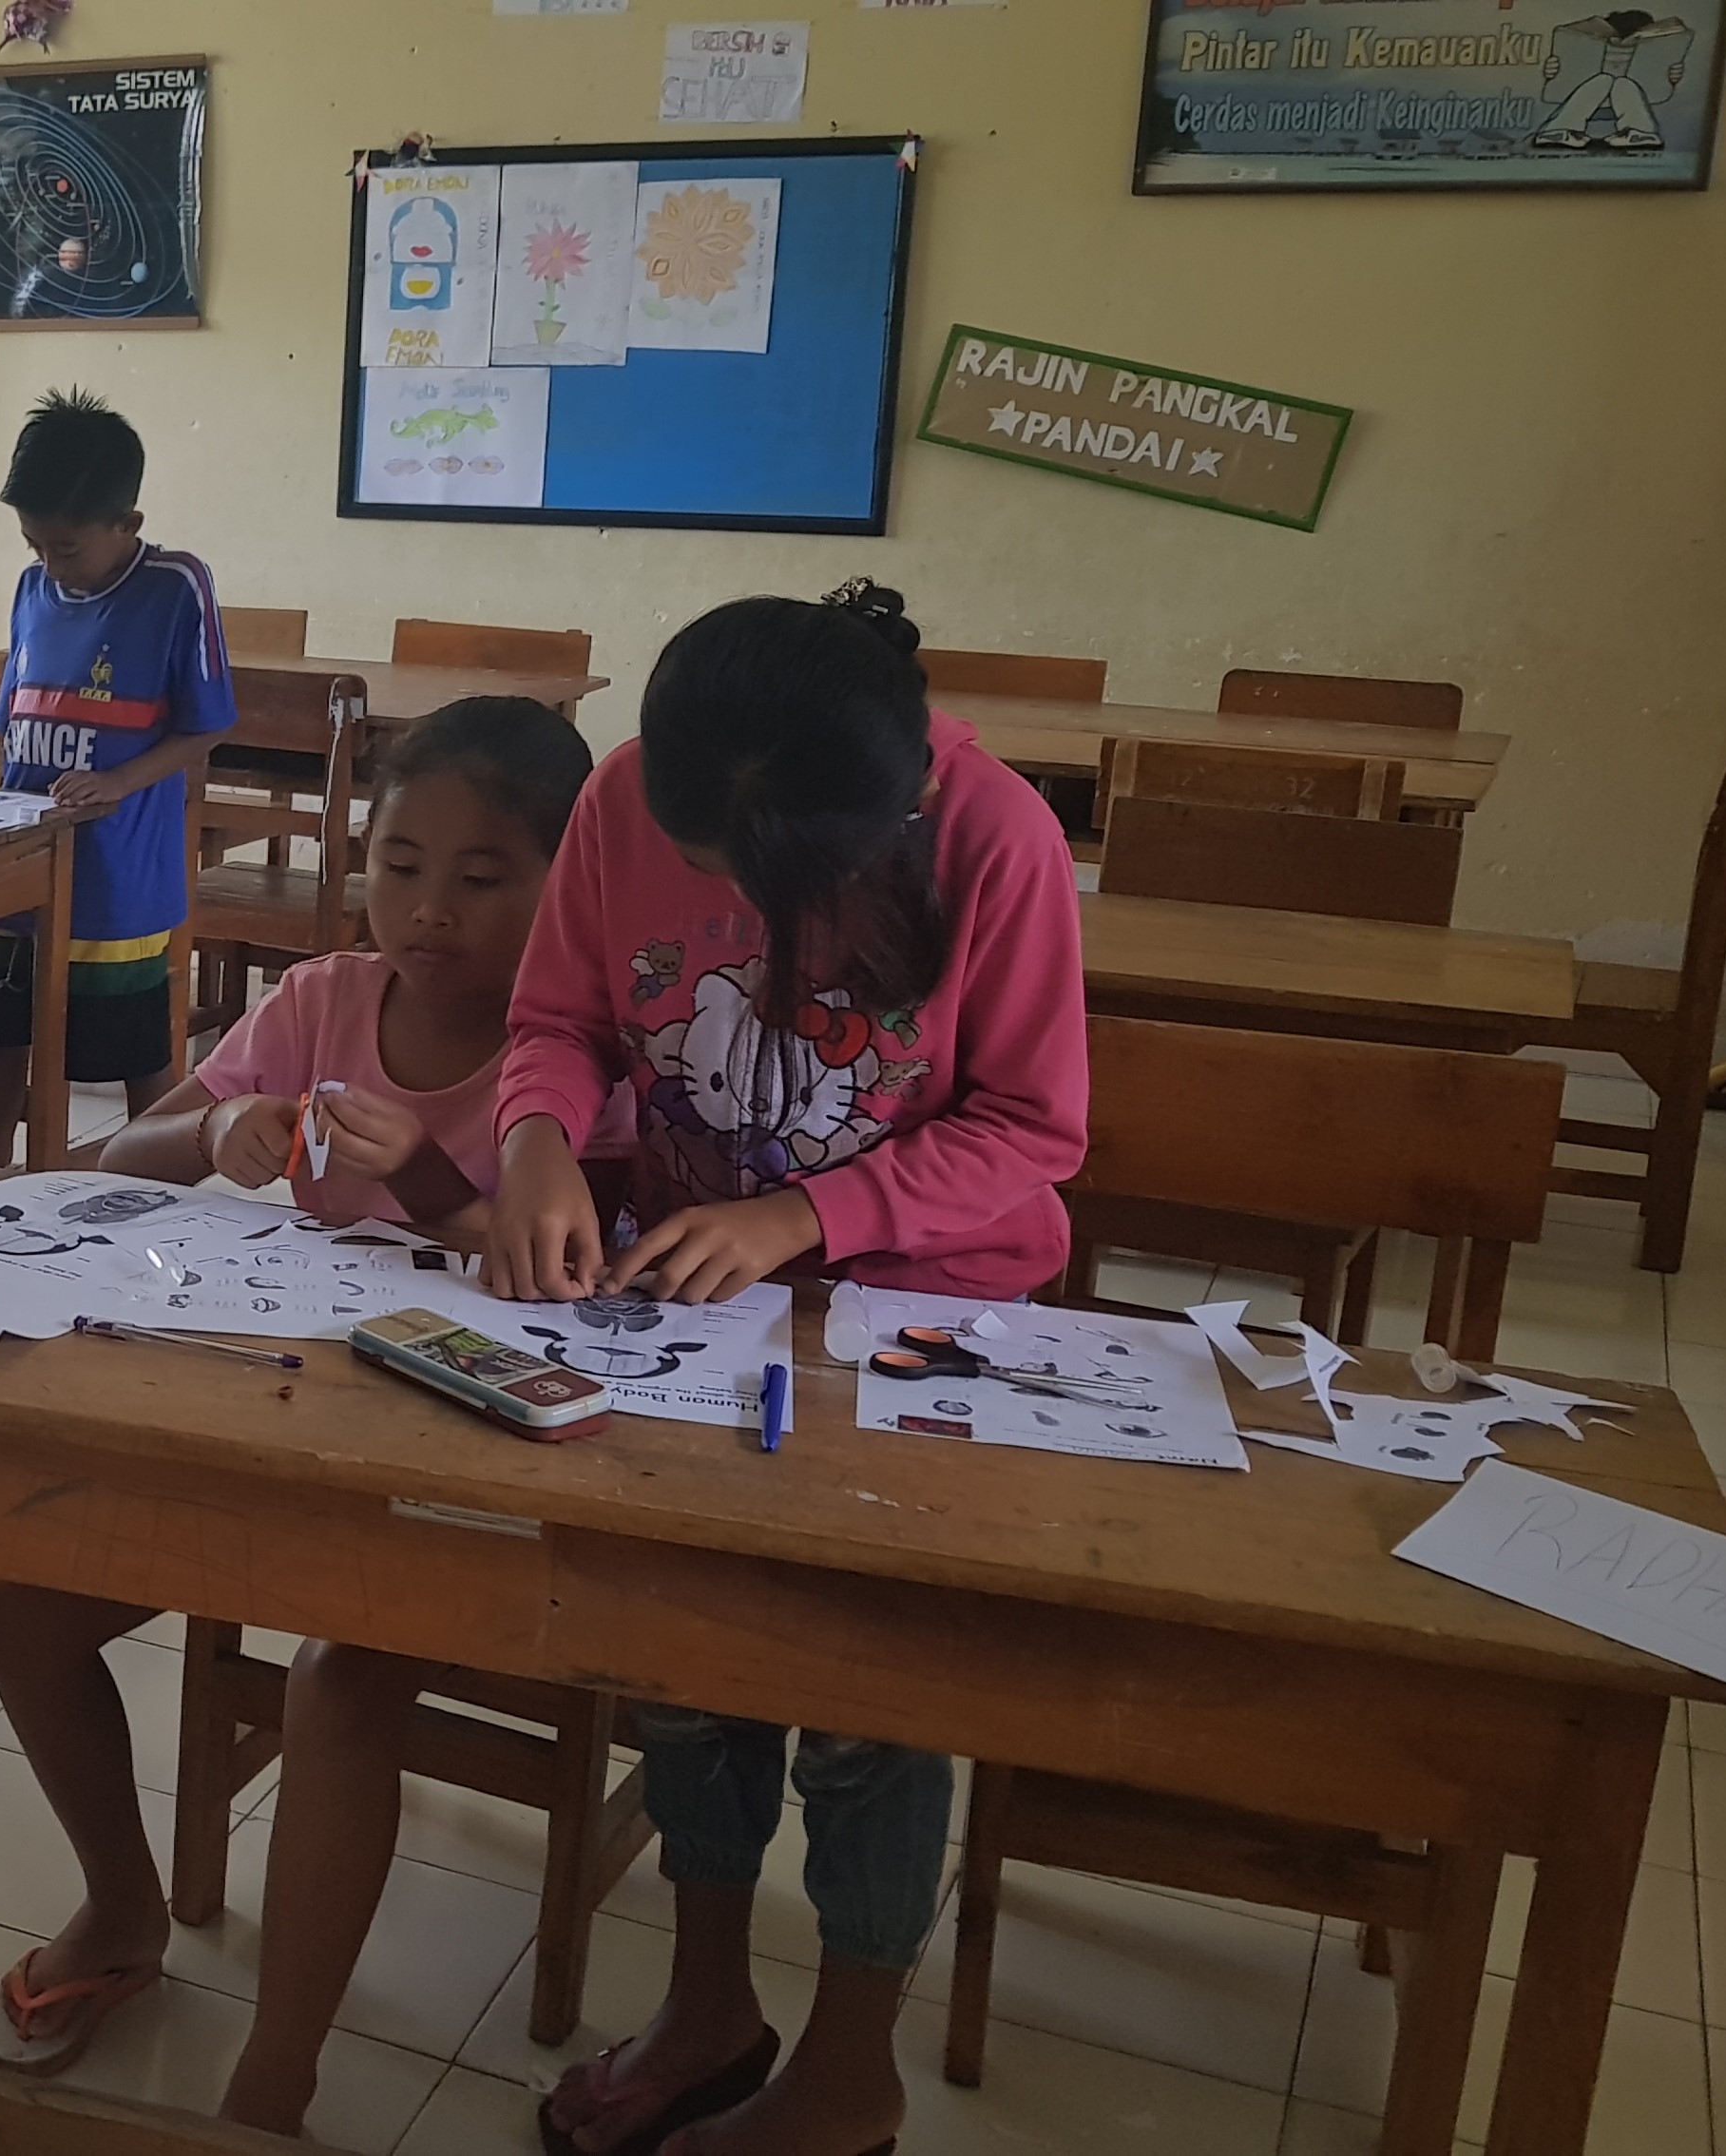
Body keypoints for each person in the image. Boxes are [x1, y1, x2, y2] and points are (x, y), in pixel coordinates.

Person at [484, 581, 1088, 2156]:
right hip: (693, 1292)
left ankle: (847, 2065)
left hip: (922, 1309)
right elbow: (555, 1016)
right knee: (690, 1661)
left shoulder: (995, 841)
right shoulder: (625, 795)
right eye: (699, 868)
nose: (721, 891)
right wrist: (537, 1138)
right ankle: (707, 2006)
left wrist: (807, 1210)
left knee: (872, 1690)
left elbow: (1031, 1127)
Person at [0, 698, 594, 2091]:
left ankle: (279, 2068)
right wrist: (214, 1130)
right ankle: (124, 1905)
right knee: (25, 1610)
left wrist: (428, 1177)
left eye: (483, 878)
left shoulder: (571, 1063)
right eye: (400, 863)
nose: (429, 911)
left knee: (342, 1682)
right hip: (261, 1431)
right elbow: (122, 1153)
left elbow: (559, 1283)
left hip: (453, 1488)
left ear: (570, 885)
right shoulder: (320, 1003)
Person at [0, 388, 234, 1165]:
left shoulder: (175, 587)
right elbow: (4, 716)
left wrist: (120, 783)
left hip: (116, 879)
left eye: (69, 548)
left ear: (129, 525)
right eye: (34, 544)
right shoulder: (30, 589)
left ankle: (164, 1190)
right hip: (13, 865)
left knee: (136, 1055)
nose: (51, 565)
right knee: (2, 1045)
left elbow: (210, 721)